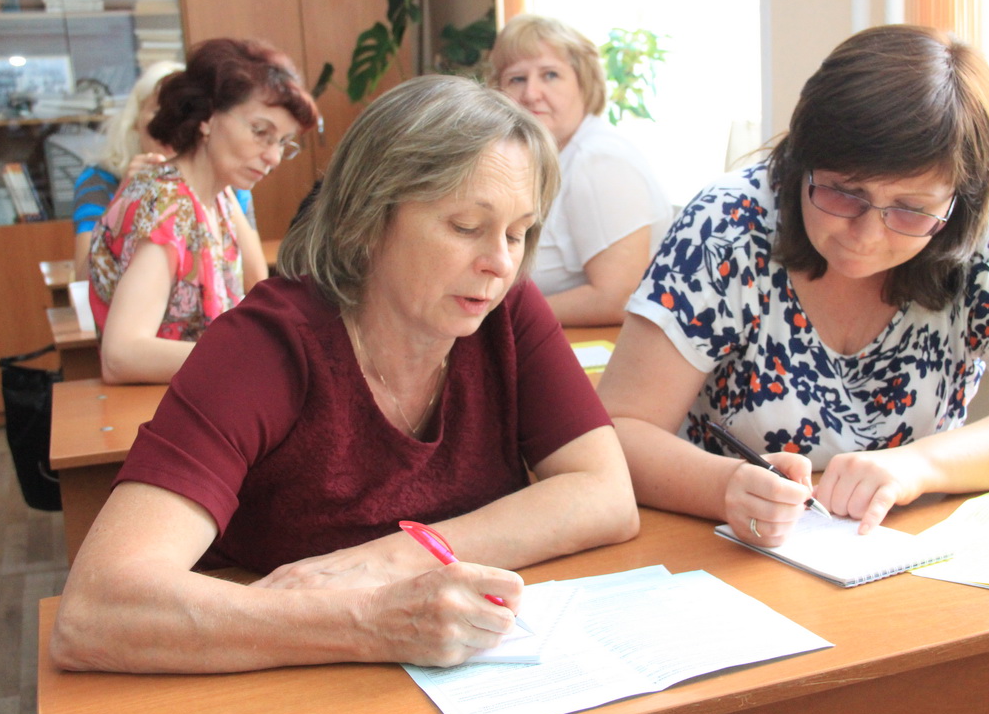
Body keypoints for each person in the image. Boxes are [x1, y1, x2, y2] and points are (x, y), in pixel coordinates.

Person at [50, 75, 639, 673]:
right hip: (280, 682)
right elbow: (95, 611)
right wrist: (370, 621)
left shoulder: (507, 310)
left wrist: (393, 560)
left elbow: (607, 494)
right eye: (466, 226)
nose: (501, 262)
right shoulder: (263, 346)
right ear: (368, 217)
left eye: (519, 232)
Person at [598, 25, 989, 548]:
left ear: (958, 200)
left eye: (911, 209)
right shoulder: (726, 227)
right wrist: (725, 486)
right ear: (802, 160)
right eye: (844, 193)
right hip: (726, 549)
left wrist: (918, 465)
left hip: (902, 550)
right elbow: (618, 429)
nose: (866, 236)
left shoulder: (978, 236)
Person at [87, 38, 319, 384]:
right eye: (261, 133)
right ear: (208, 117)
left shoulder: (217, 194)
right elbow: (121, 356)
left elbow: (258, 285)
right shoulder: (167, 202)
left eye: (283, 143)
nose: (273, 157)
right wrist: (250, 356)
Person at [488, 14, 674, 326]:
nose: (531, 93)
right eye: (516, 79)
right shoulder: (540, 162)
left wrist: (494, 319)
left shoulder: (599, 161)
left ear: (583, 83)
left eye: (550, 75)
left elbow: (617, 297)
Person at [71, 61, 266, 282]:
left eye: (185, 113)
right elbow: (85, 282)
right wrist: (125, 200)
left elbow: (255, 280)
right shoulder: (100, 180)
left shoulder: (230, 181)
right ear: (136, 120)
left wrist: (217, 185)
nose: (171, 123)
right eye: (159, 111)